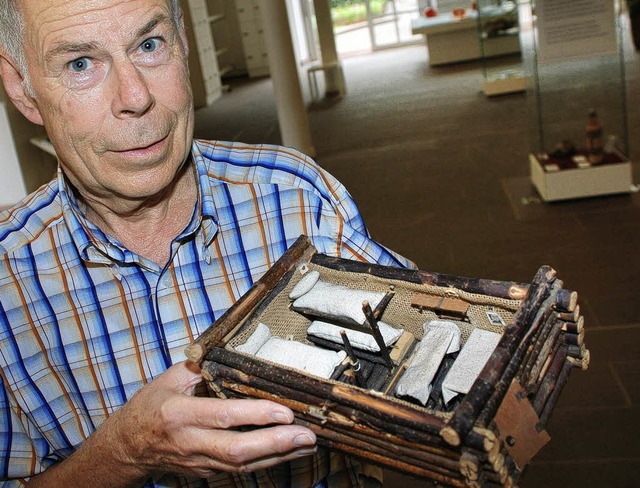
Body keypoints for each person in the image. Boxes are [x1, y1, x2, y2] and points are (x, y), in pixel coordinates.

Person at [0, 0, 412, 486]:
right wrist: (125, 453)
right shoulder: (7, 282)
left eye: (150, 45)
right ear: (22, 89)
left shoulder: (299, 199)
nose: (134, 96)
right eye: (80, 64)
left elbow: (421, 359)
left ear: (183, 44)